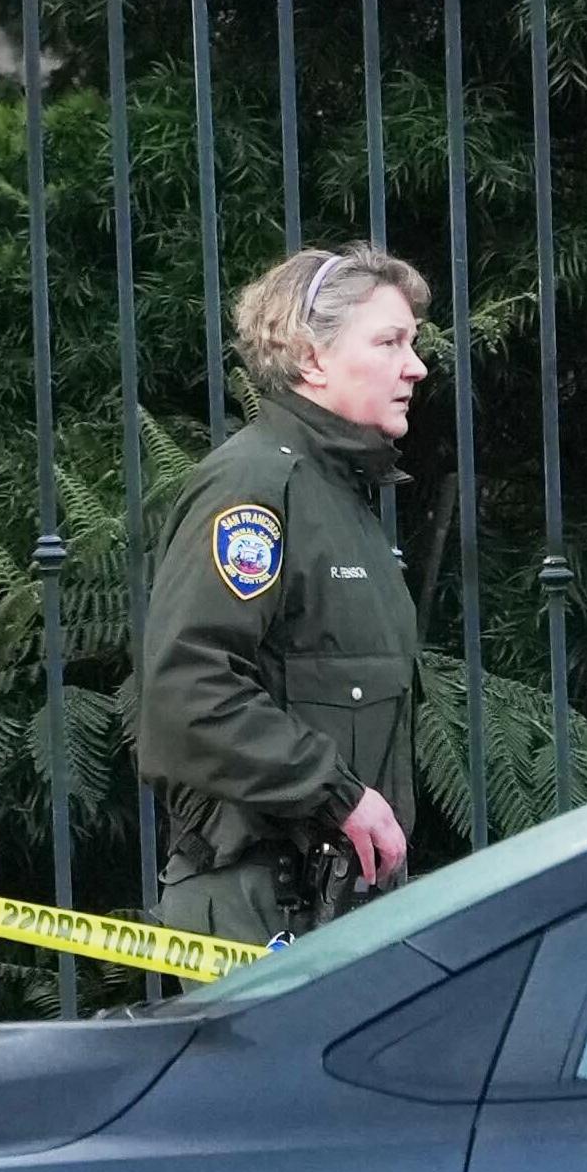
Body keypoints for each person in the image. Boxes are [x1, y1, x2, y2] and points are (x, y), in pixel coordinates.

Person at [132, 243, 431, 945]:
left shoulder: (335, 495)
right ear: (310, 357)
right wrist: (338, 794)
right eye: (388, 342)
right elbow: (187, 689)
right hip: (261, 904)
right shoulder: (254, 489)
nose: (414, 366)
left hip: (328, 903)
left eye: (411, 344)